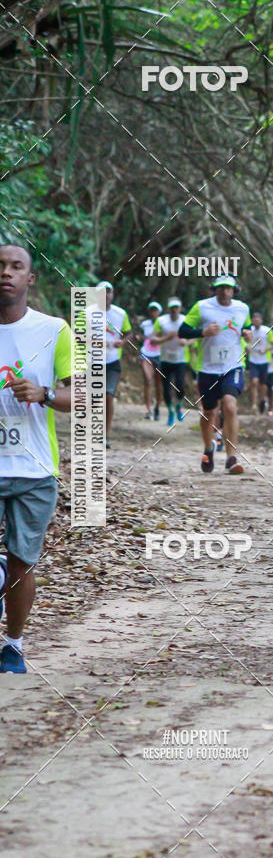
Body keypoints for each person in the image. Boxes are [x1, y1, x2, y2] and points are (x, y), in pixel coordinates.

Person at [0, 244, 73, 673]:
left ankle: (13, 645)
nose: (5, 273)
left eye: (15, 266)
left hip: (33, 468)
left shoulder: (54, 329)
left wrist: (43, 394)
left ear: (30, 279)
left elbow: (84, 394)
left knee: (24, 559)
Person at [176, 274, 252, 474]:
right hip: (208, 368)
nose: (224, 292)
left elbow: (247, 326)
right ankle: (208, 449)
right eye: (221, 288)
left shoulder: (242, 308)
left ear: (234, 290)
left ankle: (232, 458)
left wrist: (248, 333)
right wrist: (202, 332)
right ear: (215, 289)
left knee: (230, 405)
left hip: (233, 365)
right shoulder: (202, 307)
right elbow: (182, 331)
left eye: (228, 288)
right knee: (209, 412)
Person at [95, 281, 132, 449]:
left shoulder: (120, 313)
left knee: (108, 396)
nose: (106, 294)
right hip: (92, 361)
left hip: (112, 362)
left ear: (113, 294)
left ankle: (106, 435)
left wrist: (122, 342)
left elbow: (129, 333)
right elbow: (76, 334)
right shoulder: (88, 313)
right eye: (102, 292)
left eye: (108, 291)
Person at [151, 297, 187, 426]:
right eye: (172, 307)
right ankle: (171, 411)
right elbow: (152, 339)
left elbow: (195, 338)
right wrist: (166, 338)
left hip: (181, 359)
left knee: (180, 385)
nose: (174, 310)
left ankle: (179, 405)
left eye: (177, 307)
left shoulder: (185, 320)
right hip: (165, 359)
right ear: (168, 309)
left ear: (180, 308)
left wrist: (186, 342)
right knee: (166, 389)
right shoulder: (161, 321)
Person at [247, 311, 273, 414]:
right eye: (254, 319)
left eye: (258, 319)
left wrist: (266, 349)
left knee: (263, 384)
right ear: (252, 321)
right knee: (254, 382)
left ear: (261, 321)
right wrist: (247, 348)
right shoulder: (249, 330)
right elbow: (245, 342)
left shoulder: (267, 330)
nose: (256, 321)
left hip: (264, 360)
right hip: (253, 360)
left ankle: (262, 401)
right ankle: (253, 405)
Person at [139, 300, 162, 420]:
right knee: (147, 380)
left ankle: (157, 407)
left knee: (158, 383)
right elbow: (140, 337)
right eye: (151, 310)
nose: (153, 312)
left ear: (159, 312)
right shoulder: (144, 324)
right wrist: (140, 338)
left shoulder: (164, 323)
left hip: (160, 355)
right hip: (146, 354)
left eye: (155, 310)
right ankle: (147, 409)